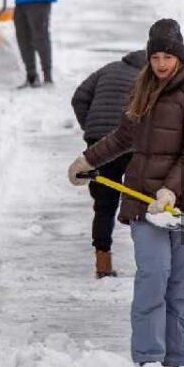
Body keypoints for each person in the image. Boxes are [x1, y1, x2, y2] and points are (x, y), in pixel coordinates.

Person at [65, 19, 184, 367]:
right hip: (143, 200)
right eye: (156, 57)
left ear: (179, 57)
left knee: (179, 285)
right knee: (153, 274)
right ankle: (148, 357)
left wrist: (171, 190)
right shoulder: (142, 91)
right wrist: (86, 160)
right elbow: (122, 137)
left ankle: (175, 360)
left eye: (168, 57)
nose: (162, 64)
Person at [71, 50, 147, 278]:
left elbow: (79, 97)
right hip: (131, 143)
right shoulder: (148, 79)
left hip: (98, 142)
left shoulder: (108, 69)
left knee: (104, 203)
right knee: (141, 199)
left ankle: (102, 261)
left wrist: (92, 129)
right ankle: (149, 260)